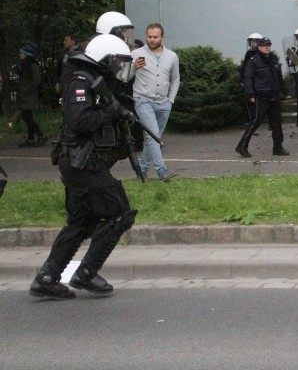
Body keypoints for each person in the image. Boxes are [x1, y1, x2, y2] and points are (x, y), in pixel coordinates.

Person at [29, 34, 139, 300]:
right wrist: (110, 113)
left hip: (83, 162)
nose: (118, 67)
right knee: (119, 213)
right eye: (115, 61)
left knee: (81, 222)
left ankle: (47, 278)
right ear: (103, 58)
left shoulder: (97, 81)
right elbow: (80, 121)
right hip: (81, 162)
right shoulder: (80, 81)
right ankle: (86, 272)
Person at [131, 23, 180, 181]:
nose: (151, 40)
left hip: (164, 102)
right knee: (153, 136)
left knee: (153, 137)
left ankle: (142, 171)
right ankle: (162, 171)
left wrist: (171, 100)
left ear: (162, 37)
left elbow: (175, 79)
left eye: (155, 37)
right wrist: (133, 68)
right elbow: (123, 76)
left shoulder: (172, 56)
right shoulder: (136, 54)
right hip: (143, 100)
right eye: (149, 37)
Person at [235, 37, 289, 158]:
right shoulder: (253, 61)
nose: (267, 47)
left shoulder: (273, 60)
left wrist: (284, 90)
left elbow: (279, 77)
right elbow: (248, 78)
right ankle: (242, 146)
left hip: (274, 96)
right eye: (264, 45)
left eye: (268, 45)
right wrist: (250, 94)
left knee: (277, 123)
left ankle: (278, 147)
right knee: (255, 122)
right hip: (261, 97)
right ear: (259, 47)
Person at [16, 43, 48, 148]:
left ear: (27, 54)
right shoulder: (25, 65)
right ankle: (30, 139)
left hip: (29, 95)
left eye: (22, 53)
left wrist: (27, 90)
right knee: (26, 116)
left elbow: (36, 81)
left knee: (28, 116)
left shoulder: (33, 65)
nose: (20, 54)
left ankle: (40, 135)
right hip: (25, 95)